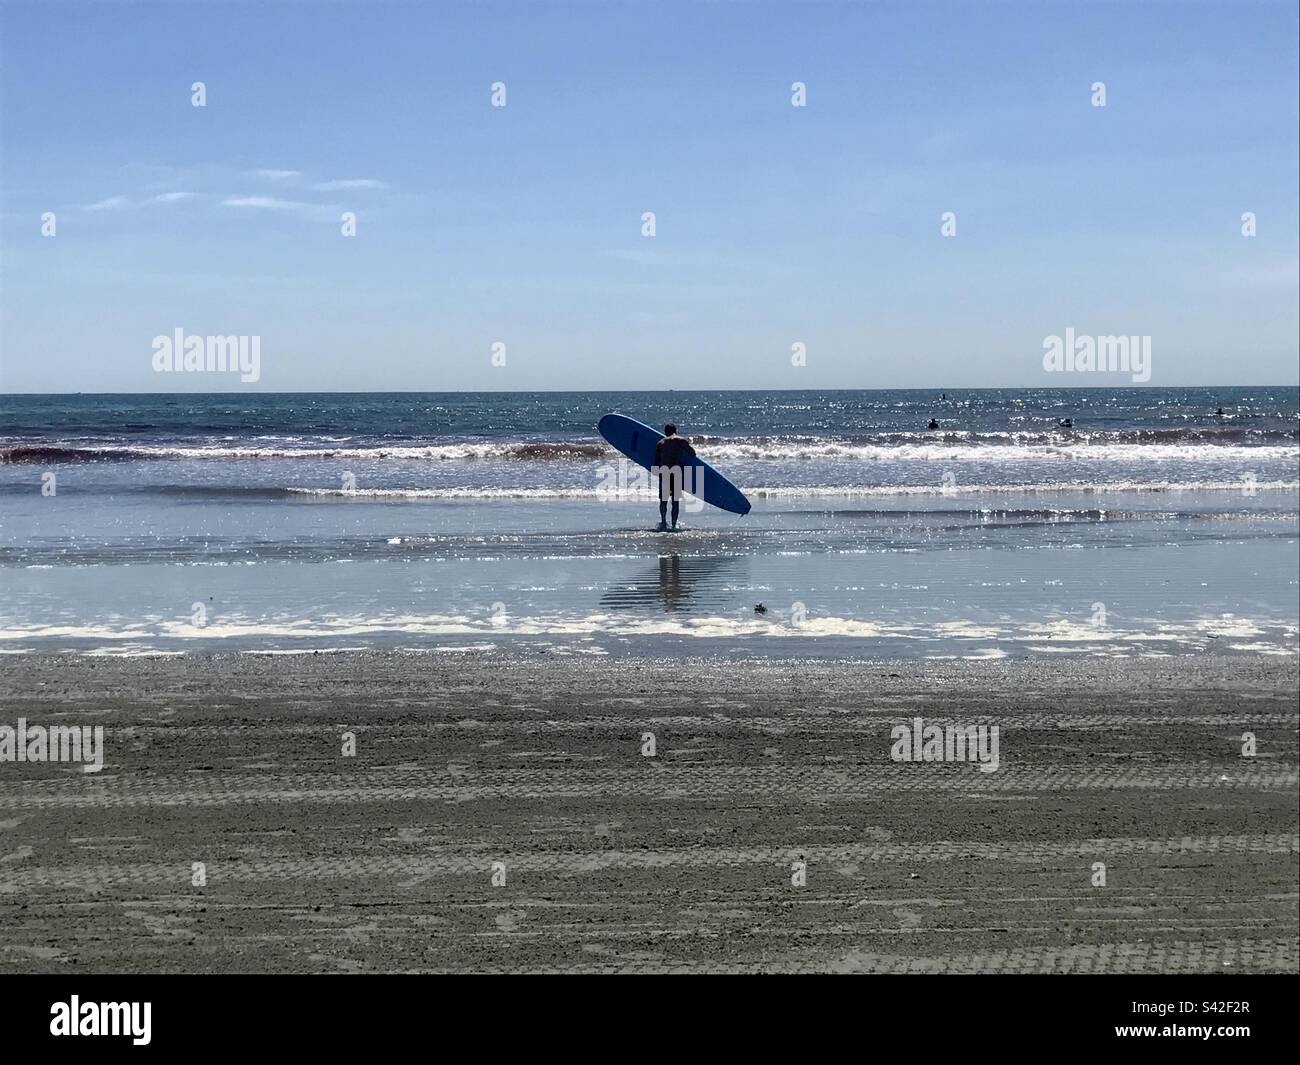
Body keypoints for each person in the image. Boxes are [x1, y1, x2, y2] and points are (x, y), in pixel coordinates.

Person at [654, 423, 695, 531]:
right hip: (676, 473)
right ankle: (673, 525)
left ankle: (663, 522)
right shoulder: (681, 441)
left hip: (664, 473)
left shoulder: (660, 443)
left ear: (665, 431)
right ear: (675, 430)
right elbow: (693, 453)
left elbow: (656, 462)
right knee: (675, 501)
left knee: (663, 501)